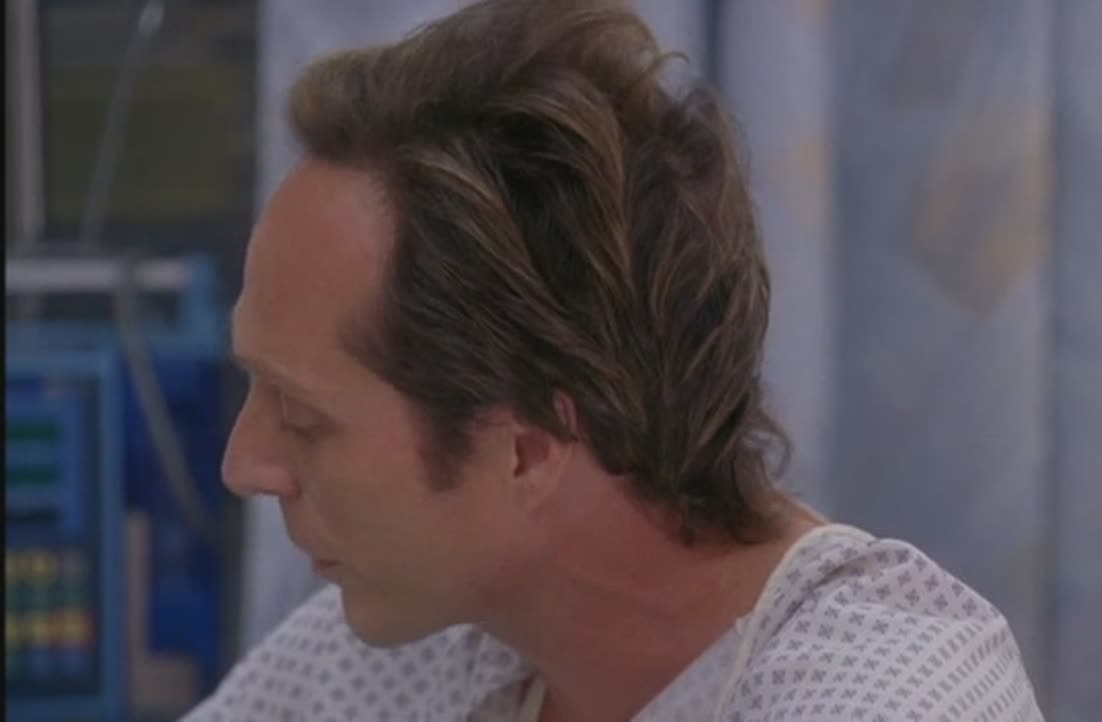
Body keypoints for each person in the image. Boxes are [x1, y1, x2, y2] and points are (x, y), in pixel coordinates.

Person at [184, 0, 1043, 719]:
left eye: (304, 418)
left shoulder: (886, 702)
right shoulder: (396, 651)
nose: (243, 465)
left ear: (527, 450)